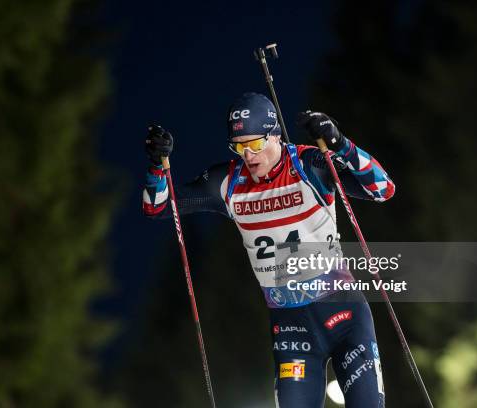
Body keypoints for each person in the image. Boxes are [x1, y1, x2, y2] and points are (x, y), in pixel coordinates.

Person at [143, 92, 394, 407]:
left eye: (257, 144)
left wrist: (340, 143)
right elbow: (158, 208)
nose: (248, 155)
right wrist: (157, 166)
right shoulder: (228, 182)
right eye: (239, 147)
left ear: (275, 134)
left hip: (344, 315)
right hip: (292, 327)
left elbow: (383, 188)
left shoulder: (308, 164)